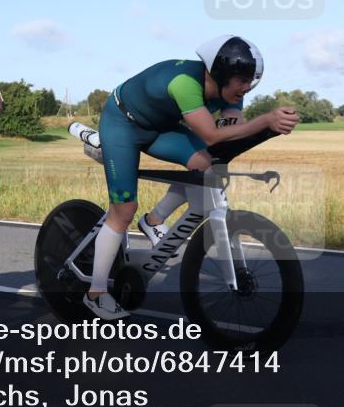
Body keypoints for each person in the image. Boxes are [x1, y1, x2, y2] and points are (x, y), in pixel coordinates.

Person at [84, 35, 299, 319]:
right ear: (220, 73)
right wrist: (265, 121)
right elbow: (210, 133)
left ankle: (154, 220)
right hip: (122, 124)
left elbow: (225, 136)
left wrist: (267, 129)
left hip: (159, 128)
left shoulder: (234, 90)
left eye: (251, 80)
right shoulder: (184, 83)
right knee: (123, 211)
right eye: (242, 80)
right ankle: (96, 293)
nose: (247, 87)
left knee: (205, 164)